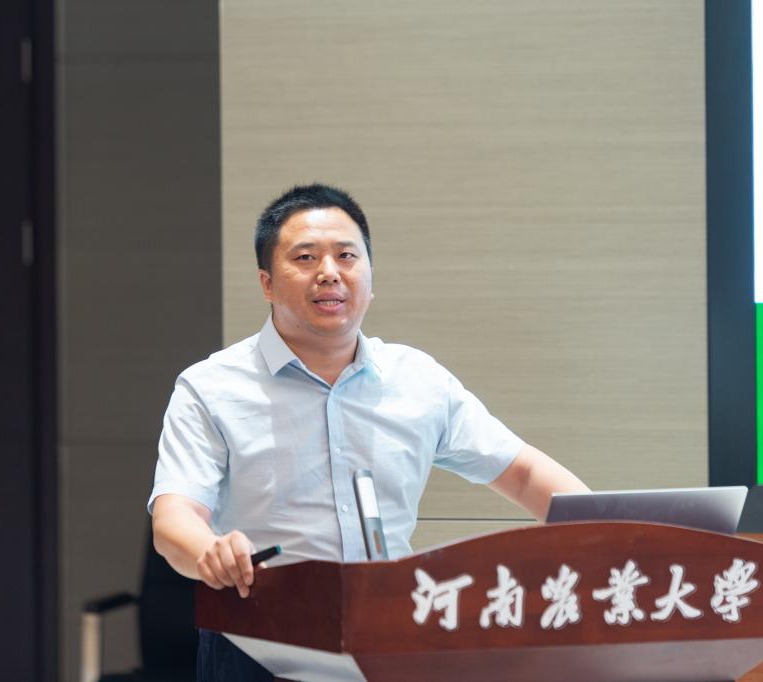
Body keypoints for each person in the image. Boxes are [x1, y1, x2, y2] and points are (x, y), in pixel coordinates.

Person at [147, 183, 589, 680]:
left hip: (391, 643)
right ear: (266, 283)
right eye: (306, 257)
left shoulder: (418, 380)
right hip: (258, 648)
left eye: (346, 256)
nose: (329, 272)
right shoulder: (211, 387)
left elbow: (523, 474)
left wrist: (615, 535)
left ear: (370, 279)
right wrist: (210, 552)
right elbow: (174, 517)